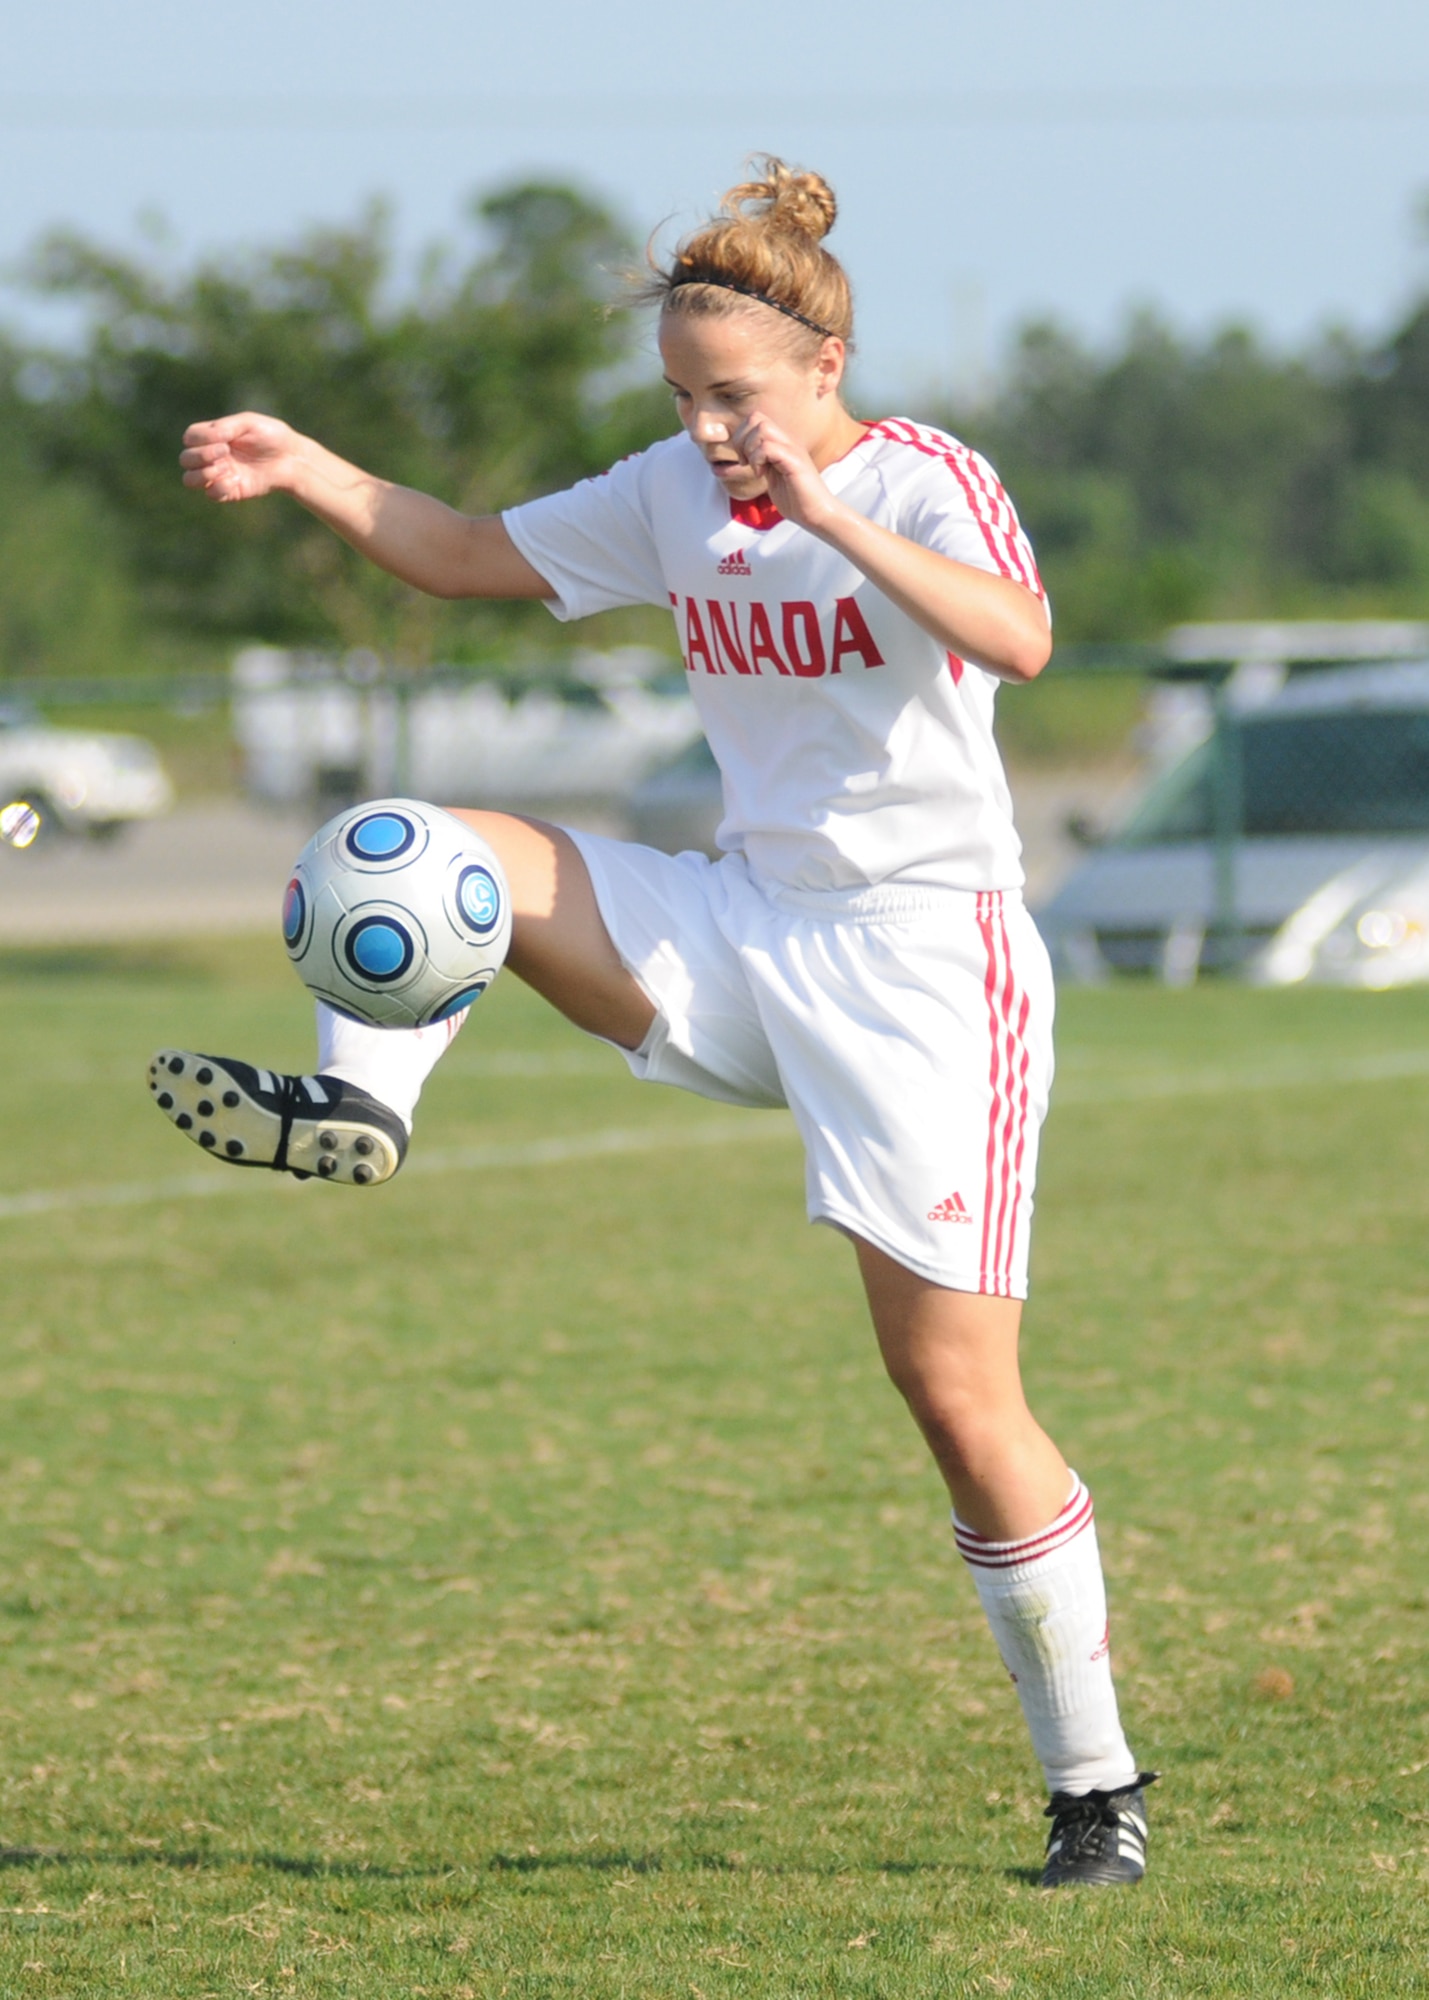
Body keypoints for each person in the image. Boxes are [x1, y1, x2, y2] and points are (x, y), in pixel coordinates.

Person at [151, 159, 1154, 1886]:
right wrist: (305, 465)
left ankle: (1094, 1792)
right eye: (683, 400)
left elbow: (1026, 638)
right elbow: (466, 556)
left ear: (823, 372)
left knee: (951, 1394)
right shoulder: (676, 492)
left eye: (734, 398)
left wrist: (825, 517)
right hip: (743, 918)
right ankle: (364, 1107)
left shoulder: (922, 482)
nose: (705, 431)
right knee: (420, 848)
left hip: (928, 972)